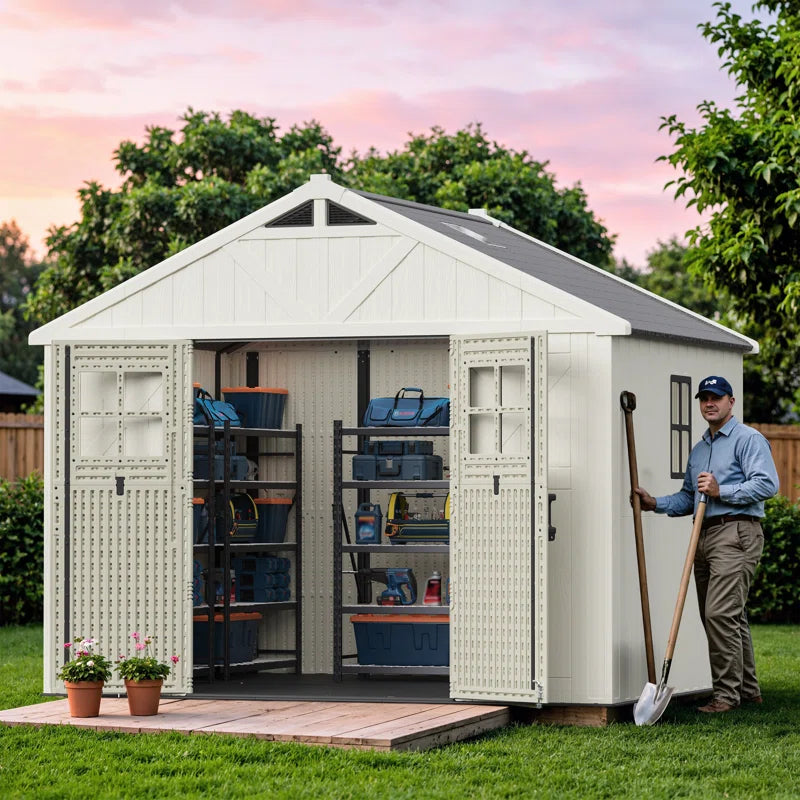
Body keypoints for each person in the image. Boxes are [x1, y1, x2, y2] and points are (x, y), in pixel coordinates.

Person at [634, 375, 779, 713]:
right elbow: (689, 497)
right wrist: (654, 503)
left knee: (719, 613)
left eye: (716, 397)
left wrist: (721, 491)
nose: (709, 403)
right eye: (704, 398)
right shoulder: (700, 450)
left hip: (738, 532)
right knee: (728, 616)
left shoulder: (748, 440)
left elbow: (767, 484)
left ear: (731, 402)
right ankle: (748, 691)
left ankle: (727, 696)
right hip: (704, 534)